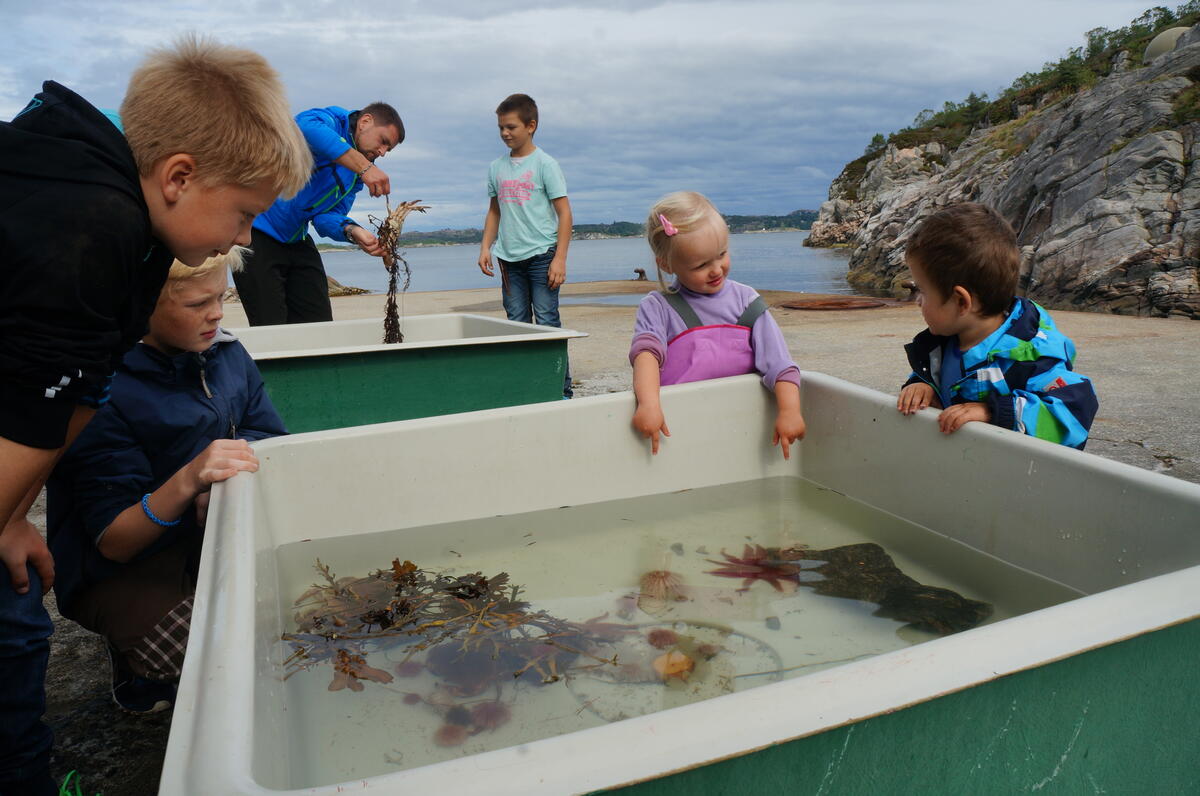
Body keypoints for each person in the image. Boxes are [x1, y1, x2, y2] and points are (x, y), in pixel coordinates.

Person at [0, 37, 309, 795]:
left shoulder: (127, 227)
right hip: (115, 557)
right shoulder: (90, 227)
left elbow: (74, 397)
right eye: (244, 213)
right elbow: (39, 412)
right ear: (178, 177)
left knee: (19, 631)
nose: (246, 236)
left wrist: (10, 520)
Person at [47, 248, 285, 715]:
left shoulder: (228, 354)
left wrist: (220, 485)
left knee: (290, 622)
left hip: (207, 540)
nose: (216, 314)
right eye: (197, 304)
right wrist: (190, 480)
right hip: (119, 571)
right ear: (140, 305)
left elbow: (267, 433)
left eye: (222, 297)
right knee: (222, 653)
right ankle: (134, 660)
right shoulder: (103, 389)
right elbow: (114, 541)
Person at [896, 203, 1098, 448]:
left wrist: (995, 412)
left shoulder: (1030, 358)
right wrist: (921, 384)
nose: (917, 301)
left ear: (961, 302)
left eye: (922, 291)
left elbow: (1074, 413)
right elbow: (934, 373)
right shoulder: (944, 342)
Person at [629, 191, 806, 458]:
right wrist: (648, 405)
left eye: (722, 254)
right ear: (666, 264)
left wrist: (789, 411)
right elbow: (646, 356)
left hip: (741, 426)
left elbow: (779, 362)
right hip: (680, 426)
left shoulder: (746, 302)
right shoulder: (657, 307)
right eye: (701, 265)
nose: (716, 269)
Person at [232, 101, 405, 326]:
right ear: (365, 121)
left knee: (320, 325)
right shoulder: (332, 121)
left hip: (296, 237)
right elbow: (305, 127)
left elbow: (327, 215)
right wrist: (364, 166)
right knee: (271, 327)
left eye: (388, 150)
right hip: (255, 232)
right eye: (383, 141)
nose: (382, 152)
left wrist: (352, 230)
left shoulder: (355, 177)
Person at [477, 93, 574, 398]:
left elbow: (565, 213)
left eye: (511, 127)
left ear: (530, 126)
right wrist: (485, 247)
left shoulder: (546, 164)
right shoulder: (496, 168)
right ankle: (525, 391)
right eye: (501, 128)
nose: (505, 133)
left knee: (547, 322)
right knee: (517, 325)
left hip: (543, 256)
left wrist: (560, 259)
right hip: (509, 259)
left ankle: (560, 391)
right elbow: (495, 211)